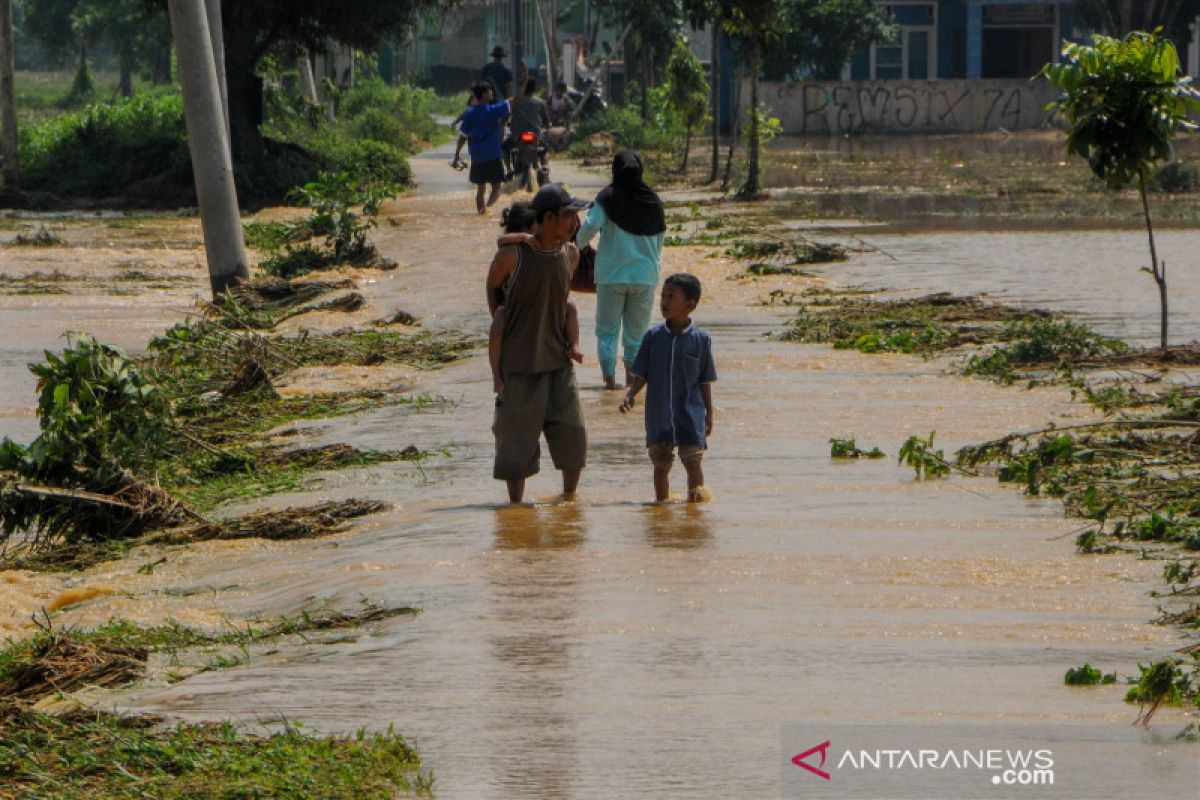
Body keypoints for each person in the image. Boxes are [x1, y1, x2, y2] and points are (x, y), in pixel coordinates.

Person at [486, 183, 592, 503]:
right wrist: (504, 322)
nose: (576, 223)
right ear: (548, 218)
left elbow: (562, 298)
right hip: (519, 366)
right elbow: (493, 288)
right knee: (515, 444)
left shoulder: (570, 254)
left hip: (558, 362)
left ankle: (569, 501)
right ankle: (516, 508)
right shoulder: (511, 256)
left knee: (573, 433)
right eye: (569, 216)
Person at [620, 273, 716, 503]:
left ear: (689, 305)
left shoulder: (702, 340)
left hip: (690, 414)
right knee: (661, 464)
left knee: (693, 461)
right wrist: (630, 395)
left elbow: (705, 380)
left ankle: (695, 508)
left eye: (671, 297)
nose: (664, 302)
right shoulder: (653, 337)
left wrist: (709, 414)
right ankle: (661, 506)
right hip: (659, 415)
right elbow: (641, 374)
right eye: (663, 295)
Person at [576, 150, 666, 389]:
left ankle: (609, 384)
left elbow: (590, 227)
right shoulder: (653, 201)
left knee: (607, 332)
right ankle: (631, 387)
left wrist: (573, 246)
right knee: (636, 337)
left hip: (611, 276)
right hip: (645, 277)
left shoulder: (607, 197)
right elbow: (659, 243)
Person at [489, 201, 583, 396]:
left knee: (571, 307)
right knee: (498, 323)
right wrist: (498, 312)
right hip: (516, 313)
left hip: (548, 323)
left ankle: (573, 347)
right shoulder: (514, 251)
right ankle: (496, 375)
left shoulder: (567, 252)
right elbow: (492, 286)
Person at [453, 64, 528, 214]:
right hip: (493, 156)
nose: (492, 92)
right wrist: (523, 81)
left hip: (477, 157)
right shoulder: (493, 110)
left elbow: (463, 137)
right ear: (485, 94)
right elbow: (517, 99)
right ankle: (486, 209)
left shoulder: (470, 113)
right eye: (490, 90)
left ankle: (481, 211)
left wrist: (456, 156)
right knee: (496, 187)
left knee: (480, 189)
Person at [503, 76, 550, 180]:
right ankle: (545, 166)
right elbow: (546, 122)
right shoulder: (540, 102)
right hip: (535, 136)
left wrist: (507, 122)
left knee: (505, 148)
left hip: (517, 137)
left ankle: (508, 169)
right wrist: (546, 126)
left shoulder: (513, 102)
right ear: (534, 89)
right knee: (545, 148)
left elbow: (505, 118)